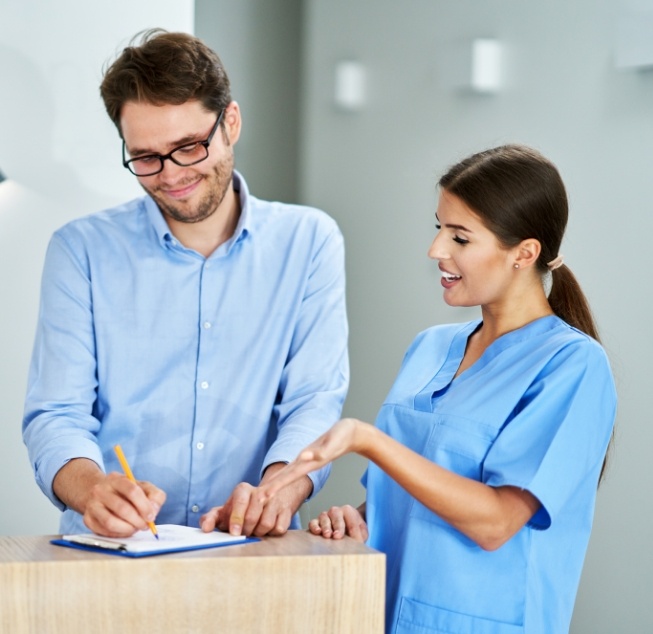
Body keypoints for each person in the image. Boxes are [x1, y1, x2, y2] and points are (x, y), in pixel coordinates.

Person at [260, 144, 616, 633]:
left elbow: (495, 523)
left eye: (460, 238)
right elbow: (411, 497)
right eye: (438, 229)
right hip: (380, 617)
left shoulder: (572, 367)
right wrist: (359, 518)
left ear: (524, 253)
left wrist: (369, 440)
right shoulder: (430, 348)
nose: (436, 251)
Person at [22, 29, 349, 539]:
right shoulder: (80, 250)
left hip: (250, 547)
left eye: (189, 147)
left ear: (231, 123)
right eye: (146, 157)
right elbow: (56, 414)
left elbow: (314, 402)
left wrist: (278, 491)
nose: (170, 175)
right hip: (113, 553)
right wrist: (91, 490)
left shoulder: (309, 241)